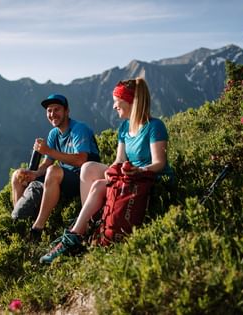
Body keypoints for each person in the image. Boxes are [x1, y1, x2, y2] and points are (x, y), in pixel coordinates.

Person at [40, 77, 174, 264]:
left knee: (99, 186)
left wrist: (138, 169)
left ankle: (77, 233)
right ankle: (90, 223)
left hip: (148, 177)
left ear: (129, 101)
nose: (113, 106)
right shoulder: (124, 128)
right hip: (130, 175)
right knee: (88, 167)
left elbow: (159, 163)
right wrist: (115, 170)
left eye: (116, 101)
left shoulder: (154, 126)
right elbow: (119, 160)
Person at [11, 93, 100, 241]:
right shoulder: (54, 133)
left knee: (54, 171)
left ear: (67, 111)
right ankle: (20, 221)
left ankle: (37, 229)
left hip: (83, 180)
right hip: (62, 178)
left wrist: (48, 151)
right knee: (18, 175)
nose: (52, 114)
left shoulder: (79, 129)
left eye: (57, 109)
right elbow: (47, 163)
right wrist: (34, 173)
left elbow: (81, 160)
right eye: (49, 110)